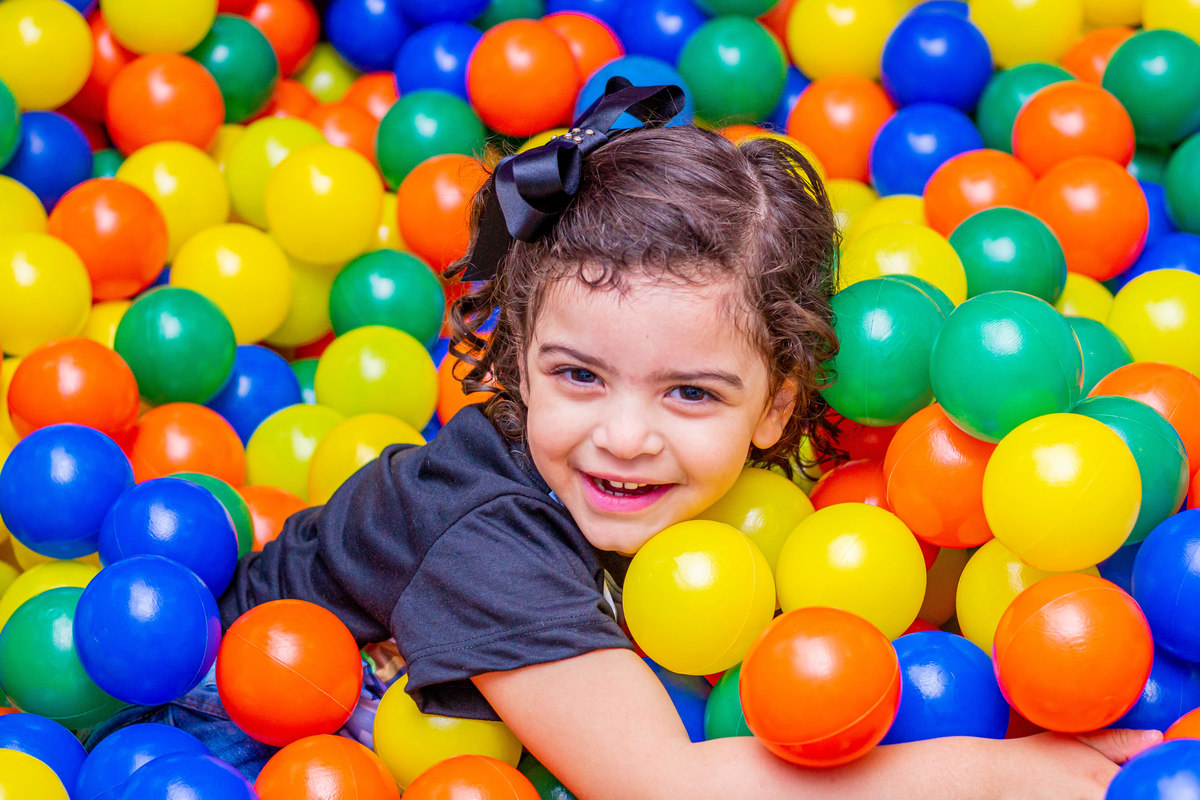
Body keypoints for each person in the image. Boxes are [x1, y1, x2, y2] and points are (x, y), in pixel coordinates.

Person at [112, 81, 1161, 797]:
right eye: (578, 375)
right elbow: (663, 783)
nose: (623, 437)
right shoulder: (490, 539)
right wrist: (996, 771)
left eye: (690, 393)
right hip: (237, 742)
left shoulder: (726, 485)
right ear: (520, 361)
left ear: (776, 409)